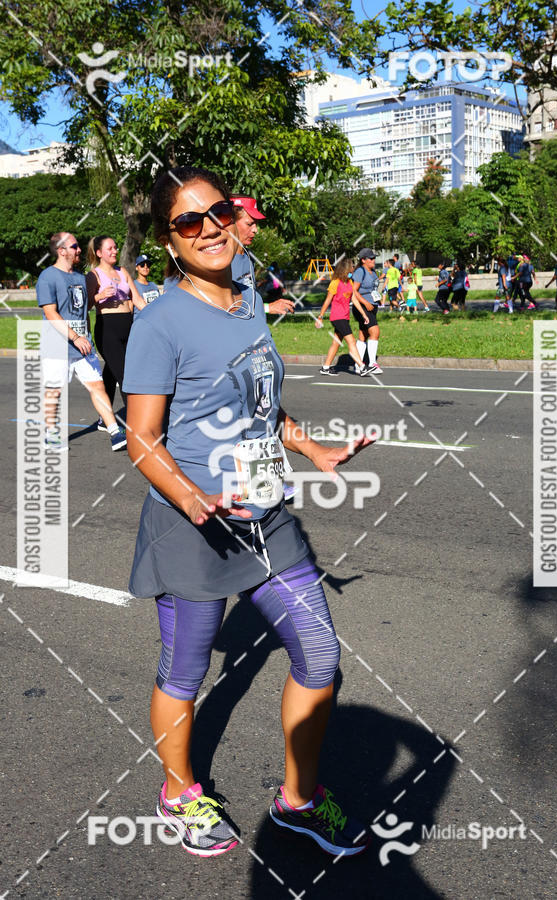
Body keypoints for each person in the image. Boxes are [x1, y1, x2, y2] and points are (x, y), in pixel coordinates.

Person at [122, 165, 373, 858]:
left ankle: (297, 801)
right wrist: (194, 497)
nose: (209, 228)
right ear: (171, 243)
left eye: (219, 212)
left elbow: (258, 402)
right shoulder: (162, 322)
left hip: (266, 518)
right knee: (185, 673)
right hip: (193, 526)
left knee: (319, 655)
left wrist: (312, 449)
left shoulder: (250, 299)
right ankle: (178, 793)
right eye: (188, 222)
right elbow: (141, 439)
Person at [36, 232, 127, 451]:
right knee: (55, 390)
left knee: (97, 386)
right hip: (57, 344)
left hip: (82, 345)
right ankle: (51, 433)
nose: (79, 250)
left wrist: (85, 336)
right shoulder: (47, 277)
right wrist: (75, 337)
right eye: (74, 246)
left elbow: (83, 311)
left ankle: (114, 430)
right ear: (61, 251)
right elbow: (51, 314)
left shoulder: (79, 278)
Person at [86, 236, 146, 429]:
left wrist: (156, 315)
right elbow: (84, 306)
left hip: (128, 327)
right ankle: (137, 423)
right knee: (125, 374)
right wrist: (99, 296)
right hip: (107, 328)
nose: (114, 251)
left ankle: (105, 417)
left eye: (115, 247)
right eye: (109, 248)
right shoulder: (93, 275)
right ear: (99, 253)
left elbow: (137, 299)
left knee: (112, 372)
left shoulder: (123, 272)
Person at [231, 195, 294, 316]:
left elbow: (249, 298)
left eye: (256, 224)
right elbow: (223, 305)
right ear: (231, 222)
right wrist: (267, 307)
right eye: (250, 224)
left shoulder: (249, 256)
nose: (255, 230)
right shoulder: (219, 261)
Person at [316, 259, 369, 375]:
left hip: (345, 317)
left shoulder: (349, 282)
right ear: (345, 269)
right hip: (337, 317)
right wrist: (320, 317)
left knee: (336, 342)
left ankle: (325, 367)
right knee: (352, 341)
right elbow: (327, 301)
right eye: (351, 268)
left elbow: (354, 299)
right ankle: (362, 366)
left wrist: (364, 314)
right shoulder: (335, 282)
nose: (353, 270)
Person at [352, 248, 382, 374]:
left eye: (374, 258)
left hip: (372, 306)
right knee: (375, 332)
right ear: (363, 260)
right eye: (371, 258)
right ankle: (371, 364)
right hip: (362, 307)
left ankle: (358, 364)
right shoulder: (360, 271)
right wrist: (365, 303)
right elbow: (354, 291)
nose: (373, 260)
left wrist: (377, 300)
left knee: (363, 335)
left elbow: (373, 289)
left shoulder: (373, 271)